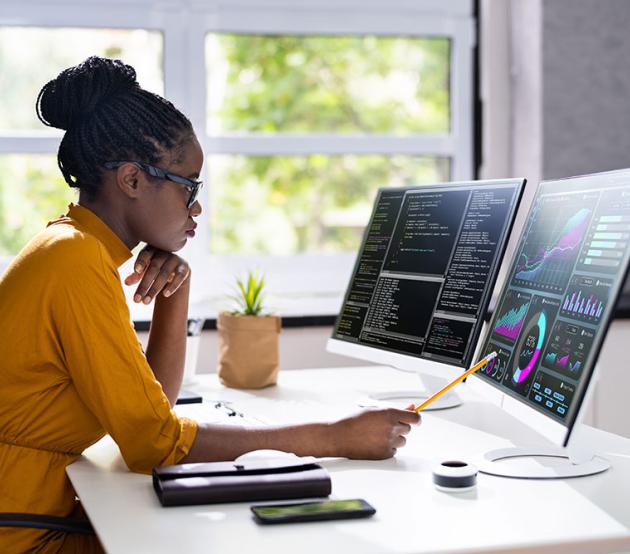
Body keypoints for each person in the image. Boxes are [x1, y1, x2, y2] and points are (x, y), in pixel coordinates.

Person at [0, 56, 420, 553]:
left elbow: (154, 407)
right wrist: (336, 439)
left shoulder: (73, 248)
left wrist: (174, 297)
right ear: (132, 181)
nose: (196, 208)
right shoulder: (75, 262)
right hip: (28, 533)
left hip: (46, 508)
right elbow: (154, 444)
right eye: (189, 186)